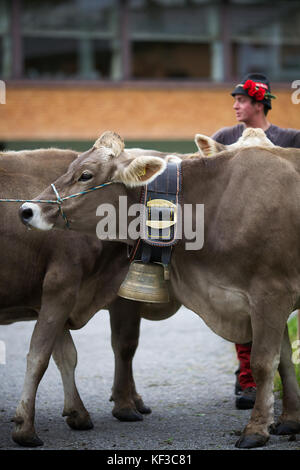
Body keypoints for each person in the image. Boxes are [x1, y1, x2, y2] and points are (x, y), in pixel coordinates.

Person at [211, 72, 300, 410]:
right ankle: (247, 378)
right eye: (235, 100)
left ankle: (269, 377)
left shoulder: (291, 139)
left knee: (274, 307)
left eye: (242, 100)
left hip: (282, 239)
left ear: (259, 103)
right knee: (245, 308)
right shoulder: (222, 138)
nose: (235, 106)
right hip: (237, 236)